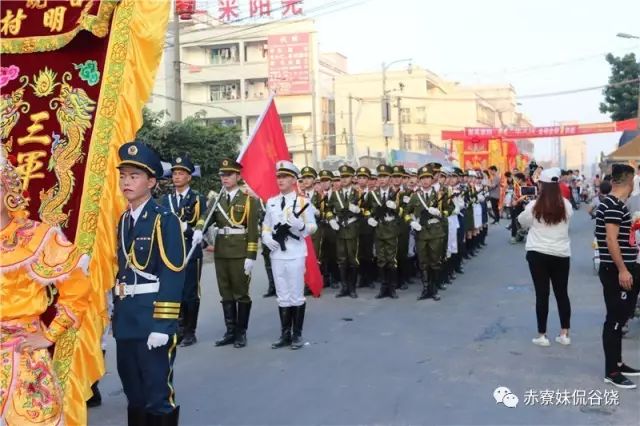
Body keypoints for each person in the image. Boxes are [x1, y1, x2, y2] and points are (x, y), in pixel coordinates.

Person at [0, 148, 95, 425]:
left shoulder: (37, 236)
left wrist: (51, 334)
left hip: (23, 350)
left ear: (7, 188)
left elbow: (77, 286)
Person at [114, 141, 185, 425]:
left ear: (152, 181)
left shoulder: (163, 219)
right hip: (127, 319)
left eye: (134, 176)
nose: (126, 182)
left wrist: (163, 325)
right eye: (123, 175)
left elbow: (173, 273)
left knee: (157, 394)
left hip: (151, 318)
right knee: (134, 394)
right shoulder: (123, 220)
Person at [262, 161, 317, 349]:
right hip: (277, 254)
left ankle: (297, 335)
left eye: (285, 177)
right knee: (282, 295)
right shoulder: (271, 202)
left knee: (296, 295)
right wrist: (266, 237)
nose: (281, 180)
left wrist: (299, 225)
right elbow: (267, 224)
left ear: (294, 180)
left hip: (295, 253)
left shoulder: (303, 202)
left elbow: (312, 226)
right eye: (278, 176)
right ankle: (284, 334)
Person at [595, 164, 640, 389]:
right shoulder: (612, 205)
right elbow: (611, 241)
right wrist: (623, 269)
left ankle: (618, 362)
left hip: (623, 267)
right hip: (615, 270)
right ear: (629, 182)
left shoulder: (615, 205)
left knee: (621, 318)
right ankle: (611, 371)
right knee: (614, 320)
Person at [518, 168, 573, 347]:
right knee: (562, 293)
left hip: (538, 253)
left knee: (542, 294)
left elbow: (522, 221)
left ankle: (542, 335)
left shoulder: (534, 206)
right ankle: (564, 333)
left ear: (541, 185)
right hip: (561, 253)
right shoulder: (566, 205)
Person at [209, 158, 259, 348]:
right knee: (225, 293)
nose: (225, 178)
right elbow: (206, 218)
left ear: (238, 176)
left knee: (241, 294)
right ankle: (230, 331)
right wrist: (198, 230)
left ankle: (241, 332)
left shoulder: (248, 200)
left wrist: (251, 256)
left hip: (240, 252)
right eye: (222, 175)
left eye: (229, 174)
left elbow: (253, 230)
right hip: (221, 251)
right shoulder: (217, 200)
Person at [160, 156, 207, 347]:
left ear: (189, 177)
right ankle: (177, 329)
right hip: (172, 252)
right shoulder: (166, 199)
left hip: (191, 249)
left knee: (190, 293)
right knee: (174, 292)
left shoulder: (197, 198)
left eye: (181, 173)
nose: (177, 177)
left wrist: (194, 230)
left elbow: (203, 219)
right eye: (175, 173)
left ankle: (190, 331)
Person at [406, 164, 452, 301]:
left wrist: (440, 213)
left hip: (436, 232)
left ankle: (434, 288)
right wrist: (411, 222)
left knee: (435, 262)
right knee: (423, 262)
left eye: (428, 178)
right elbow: (406, 212)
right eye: (423, 178)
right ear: (419, 181)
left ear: (432, 179)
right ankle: (426, 288)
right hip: (421, 233)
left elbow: (450, 208)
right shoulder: (415, 196)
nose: (425, 180)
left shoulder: (440, 194)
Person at [364, 164, 400, 299]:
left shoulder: (396, 193)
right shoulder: (373, 194)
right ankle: (383, 287)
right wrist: (369, 219)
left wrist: (395, 208)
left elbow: (404, 211)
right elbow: (365, 208)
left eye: (385, 176)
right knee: (381, 259)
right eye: (380, 176)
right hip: (378, 229)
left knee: (391, 259)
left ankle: (392, 288)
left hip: (391, 229)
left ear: (390, 178)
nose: (382, 179)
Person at [327, 164, 362, 298]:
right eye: (342, 177)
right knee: (341, 259)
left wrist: (358, 210)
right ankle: (344, 287)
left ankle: (352, 288)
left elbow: (366, 210)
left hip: (352, 229)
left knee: (353, 259)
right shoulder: (335, 194)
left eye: (347, 176)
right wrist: (331, 220)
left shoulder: (358, 193)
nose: (344, 179)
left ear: (352, 178)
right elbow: (328, 209)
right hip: (340, 229)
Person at [356, 166, 376, 288]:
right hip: (356, 226)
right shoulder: (353, 192)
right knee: (358, 253)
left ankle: (369, 278)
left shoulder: (372, 193)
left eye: (364, 178)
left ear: (368, 180)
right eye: (360, 177)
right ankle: (361, 278)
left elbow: (374, 208)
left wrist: (364, 211)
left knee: (368, 253)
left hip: (368, 226)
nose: (362, 180)